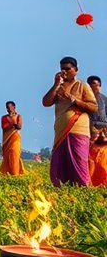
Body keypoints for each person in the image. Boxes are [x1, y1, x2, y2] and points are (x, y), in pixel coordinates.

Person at [42, 57, 97, 186]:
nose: (64, 71)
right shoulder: (58, 87)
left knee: (79, 160)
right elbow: (46, 102)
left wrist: (73, 100)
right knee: (60, 161)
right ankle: (61, 187)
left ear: (76, 70)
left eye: (67, 69)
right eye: (62, 69)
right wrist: (56, 84)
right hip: (61, 130)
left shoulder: (82, 85)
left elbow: (93, 107)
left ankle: (83, 187)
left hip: (78, 129)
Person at [0, 101, 25, 176]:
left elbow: (19, 127)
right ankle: (7, 173)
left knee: (14, 153)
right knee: (7, 156)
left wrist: (13, 123)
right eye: (7, 107)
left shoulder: (19, 116)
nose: (8, 109)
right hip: (6, 140)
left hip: (16, 138)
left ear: (14, 107)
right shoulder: (4, 117)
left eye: (9, 107)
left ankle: (15, 173)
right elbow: (4, 128)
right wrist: (13, 124)